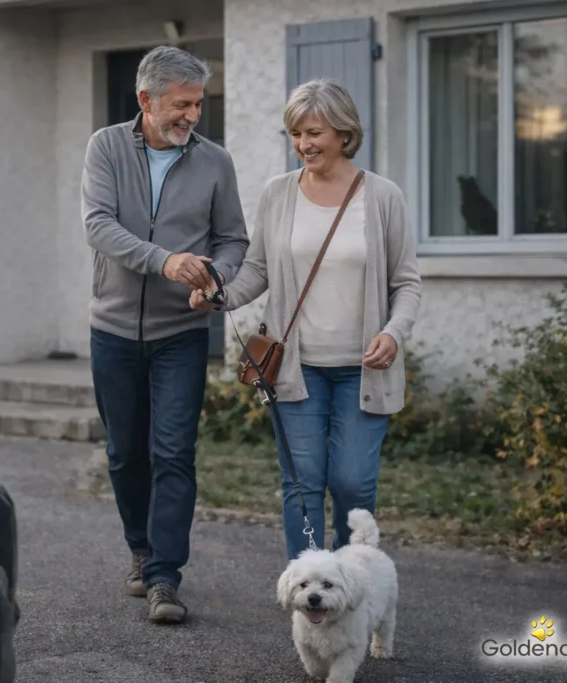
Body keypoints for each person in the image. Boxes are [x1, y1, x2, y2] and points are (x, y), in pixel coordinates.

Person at [190, 78, 421, 562]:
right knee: (302, 483)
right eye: (295, 134)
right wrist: (221, 295)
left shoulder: (383, 197)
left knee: (353, 483)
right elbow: (257, 269)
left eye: (313, 132)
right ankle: (311, 590)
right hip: (295, 368)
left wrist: (393, 333)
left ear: (343, 132)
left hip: (365, 369)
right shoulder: (278, 194)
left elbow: (406, 284)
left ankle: (350, 582)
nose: (304, 144)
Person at [81, 45, 250, 623]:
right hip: (113, 330)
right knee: (126, 454)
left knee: (173, 452)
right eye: (181, 105)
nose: (192, 116)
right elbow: (98, 225)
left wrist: (216, 277)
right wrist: (165, 260)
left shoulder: (215, 162)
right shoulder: (105, 147)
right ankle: (139, 548)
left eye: (198, 105)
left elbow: (232, 240)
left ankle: (163, 577)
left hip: (182, 331)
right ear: (146, 100)